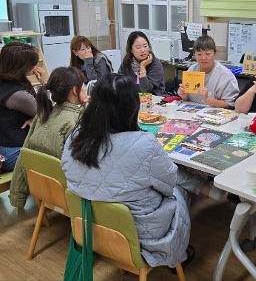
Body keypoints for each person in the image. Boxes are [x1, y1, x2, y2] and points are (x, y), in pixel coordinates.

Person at [62, 73, 206, 268]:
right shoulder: (143, 144)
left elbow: (69, 172)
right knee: (178, 191)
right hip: (141, 237)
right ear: (132, 106)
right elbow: (169, 181)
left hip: (91, 229)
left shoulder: (76, 135)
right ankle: (179, 256)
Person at [9, 67, 87, 208]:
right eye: (84, 86)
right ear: (75, 90)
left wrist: (17, 195)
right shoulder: (75, 121)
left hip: (43, 191)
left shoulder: (42, 114)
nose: (86, 89)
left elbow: (24, 155)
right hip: (69, 196)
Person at [0, 42, 47, 173]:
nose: (36, 67)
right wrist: (45, 84)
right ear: (21, 66)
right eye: (33, 64)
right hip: (12, 153)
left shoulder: (6, 82)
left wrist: (35, 118)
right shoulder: (18, 95)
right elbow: (49, 113)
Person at [178, 35, 239, 108]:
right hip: (193, 112)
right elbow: (188, 98)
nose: (203, 58)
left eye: (208, 54)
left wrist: (207, 99)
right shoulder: (192, 70)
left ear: (214, 53)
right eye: (199, 54)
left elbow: (230, 105)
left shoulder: (225, 75)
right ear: (194, 54)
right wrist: (184, 95)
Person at [118, 31, 166, 96]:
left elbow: (146, 90)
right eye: (138, 47)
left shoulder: (155, 64)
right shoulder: (127, 62)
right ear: (131, 50)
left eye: (145, 46)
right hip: (132, 99)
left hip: (153, 100)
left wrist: (142, 67)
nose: (143, 50)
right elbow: (119, 83)